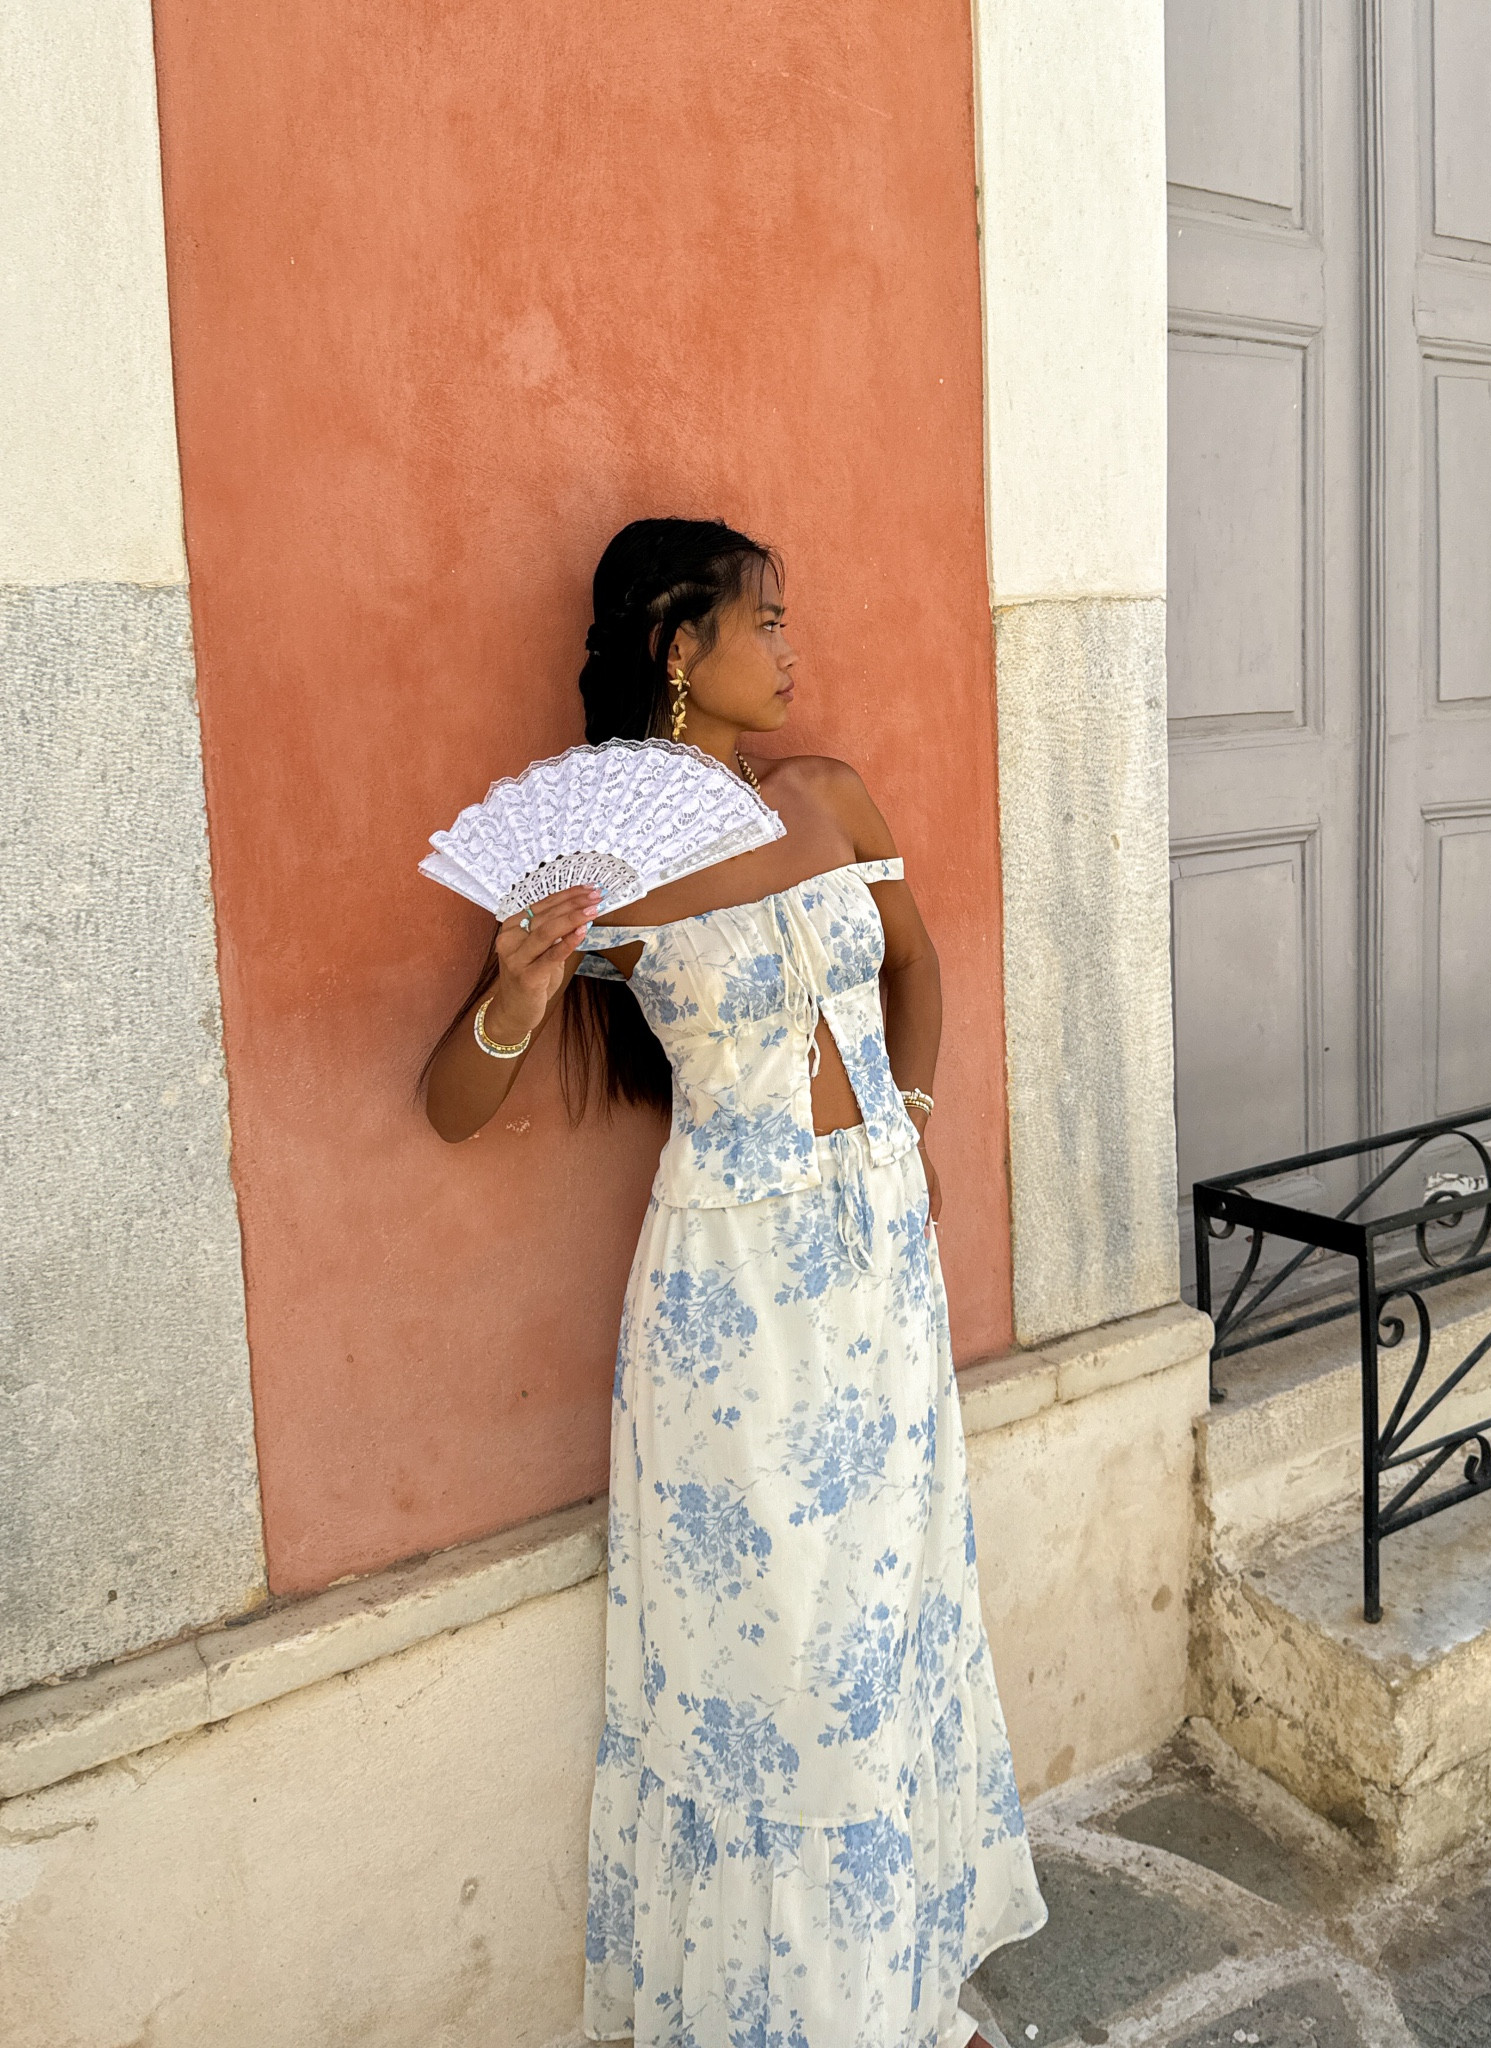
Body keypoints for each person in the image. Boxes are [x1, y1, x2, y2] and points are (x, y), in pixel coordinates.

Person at [424, 518, 1045, 2047]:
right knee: (779, 1662)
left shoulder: (828, 795)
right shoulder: (604, 863)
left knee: (890, 1623)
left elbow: (916, 964)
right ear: (676, 648)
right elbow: (450, 1102)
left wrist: (905, 1118)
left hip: (883, 1259)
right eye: (764, 621)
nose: (792, 649)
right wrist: (517, 991)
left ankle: (896, 1986)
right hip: (733, 1297)